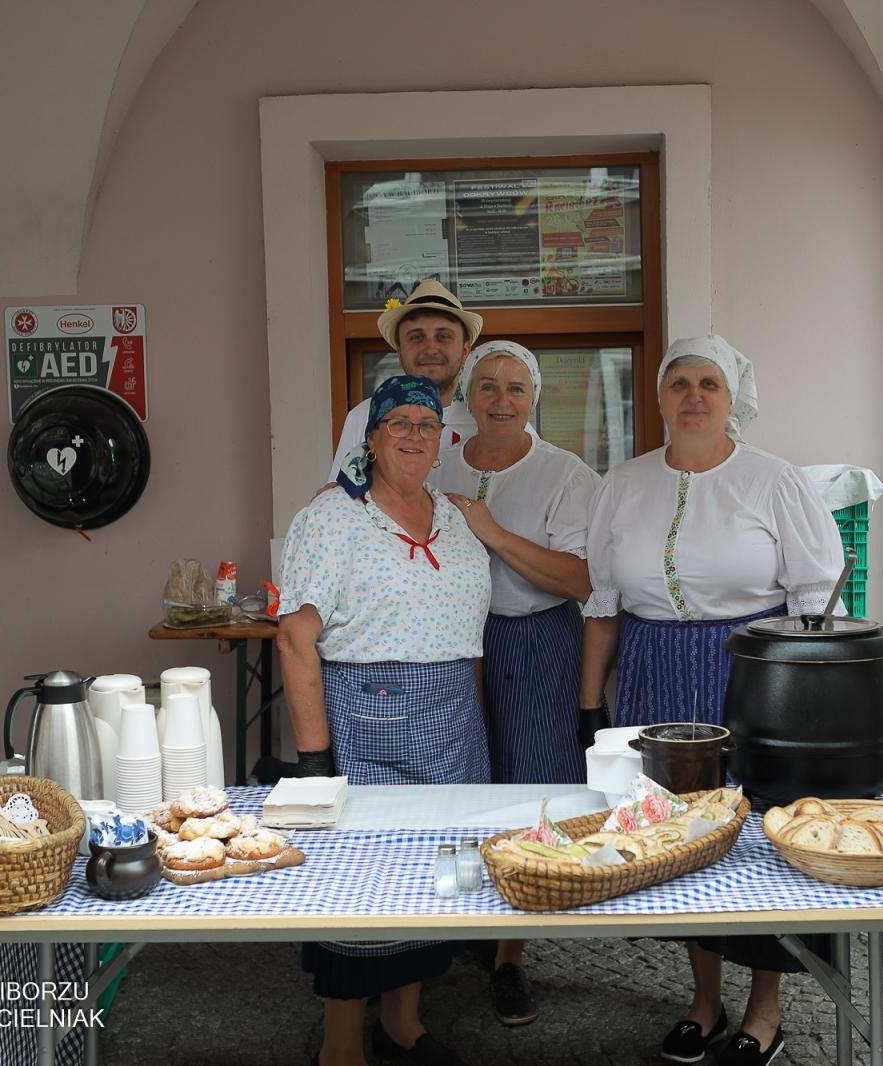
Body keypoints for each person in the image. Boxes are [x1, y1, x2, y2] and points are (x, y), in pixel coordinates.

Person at [578, 335, 845, 1066]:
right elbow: (602, 603)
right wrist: (588, 702)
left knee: (754, 834)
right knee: (676, 835)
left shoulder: (774, 480)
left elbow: (817, 598)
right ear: (660, 398)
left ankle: (765, 1008)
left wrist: (802, 699)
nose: (693, 396)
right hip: (651, 668)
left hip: (752, 672)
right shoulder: (622, 483)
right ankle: (702, 999)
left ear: (734, 400)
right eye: (679, 383)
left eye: (709, 384)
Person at [278, 374, 492, 1066]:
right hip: (367, 721)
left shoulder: (455, 517)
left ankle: (402, 1023)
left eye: (425, 426)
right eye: (396, 423)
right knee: (359, 885)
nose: (412, 435)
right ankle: (341, 1045)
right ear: (370, 440)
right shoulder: (332, 519)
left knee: (438, 878)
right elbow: (294, 637)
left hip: (454, 723)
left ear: (441, 441)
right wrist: (314, 763)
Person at [435, 341, 602, 1027]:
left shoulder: (564, 473)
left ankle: (513, 953)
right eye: (487, 387)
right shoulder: (438, 460)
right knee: (459, 783)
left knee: (530, 787)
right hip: (445, 646)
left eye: (515, 388)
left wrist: (491, 531)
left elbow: (579, 580)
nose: (500, 400)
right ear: (467, 398)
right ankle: (449, 924)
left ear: (535, 399)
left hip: (533, 639)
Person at [327, 281, 536, 483]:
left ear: (465, 351)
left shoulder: (498, 416)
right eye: (416, 337)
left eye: (443, 336)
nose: (430, 349)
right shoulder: (365, 416)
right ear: (399, 352)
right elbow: (341, 501)